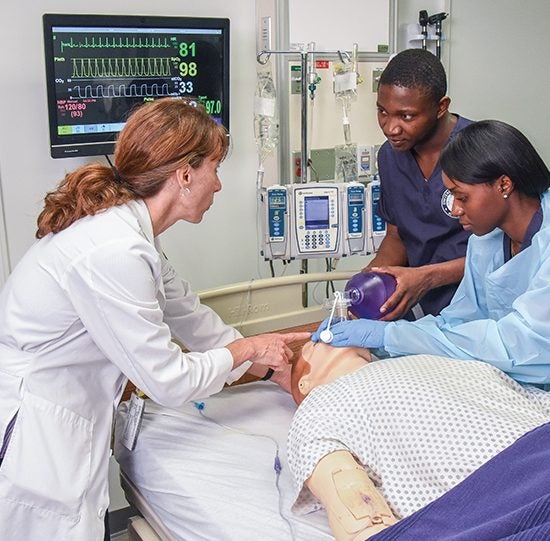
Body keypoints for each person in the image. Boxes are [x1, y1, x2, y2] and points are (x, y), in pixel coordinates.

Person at [0, 98, 309, 540]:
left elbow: (186, 312)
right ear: (185, 174)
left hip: (64, 418)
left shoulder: (131, 235)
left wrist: (269, 366)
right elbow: (167, 380)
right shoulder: (114, 250)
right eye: (215, 169)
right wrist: (246, 349)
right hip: (35, 431)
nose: (218, 185)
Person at [313, 119, 550, 386]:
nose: (456, 210)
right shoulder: (487, 242)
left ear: (504, 185)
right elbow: (457, 322)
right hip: (509, 383)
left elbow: (522, 343)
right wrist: (385, 340)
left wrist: (391, 336)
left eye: (462, 197)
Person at [288, 341, 550, 541]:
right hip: (506, 492)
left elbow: (535, 400)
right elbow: (347, 494)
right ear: (304, 383)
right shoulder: (319, 403)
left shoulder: (440, 358)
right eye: (314, 342)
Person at [367, 48, 472, 320]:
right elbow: (396, 236)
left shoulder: (480, 150)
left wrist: (426, 277)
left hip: (479, 304)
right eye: (382, 111)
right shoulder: (390, 157)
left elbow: (514, 249)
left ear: (441, 107)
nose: (391, 128)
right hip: (422, 305)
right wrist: (371, 279)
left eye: (407, 116)